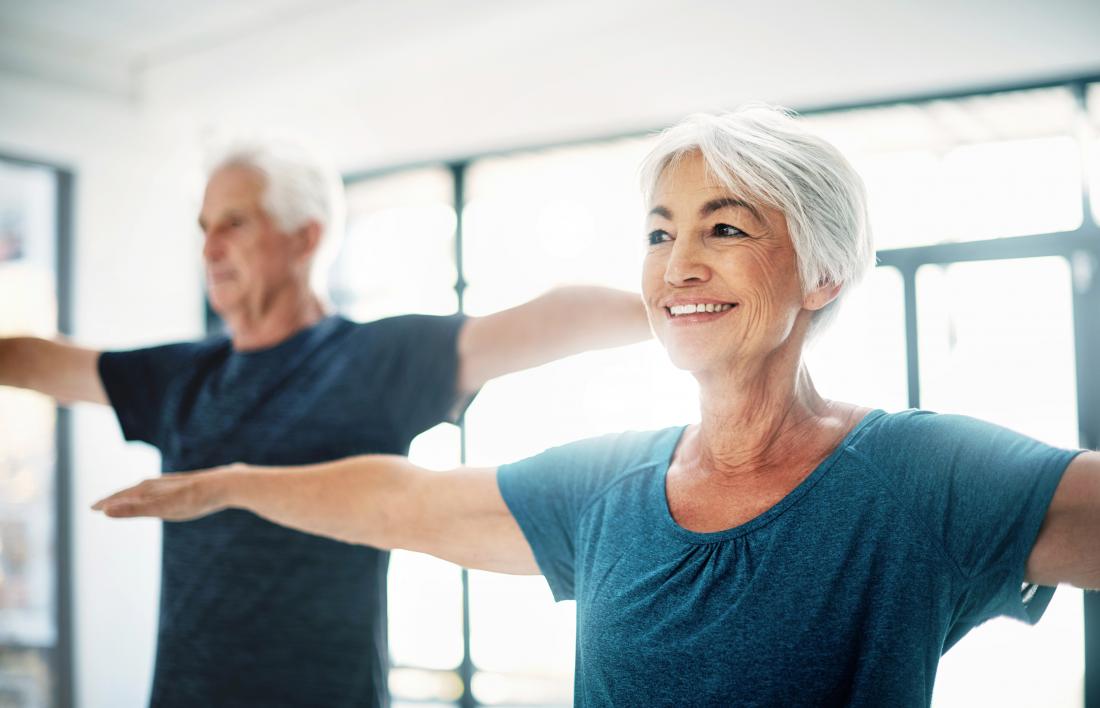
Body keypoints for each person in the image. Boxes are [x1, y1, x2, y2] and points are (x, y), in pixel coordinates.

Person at [92, 107, 1099, 707]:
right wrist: (227, 483)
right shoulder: (612, 484)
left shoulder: (922, 478)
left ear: (823, 273)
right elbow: (405, 500)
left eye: (724, 226)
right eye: (659, 233)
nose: (679, 263)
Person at [0, 141, 652, 707]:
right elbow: (34, 360)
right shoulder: (181, 377)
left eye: (234, 223)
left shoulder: (373, 360)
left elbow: (548, 320)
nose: (210, 247)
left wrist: (688, 308)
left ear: (305, 237)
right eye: (203, 227)